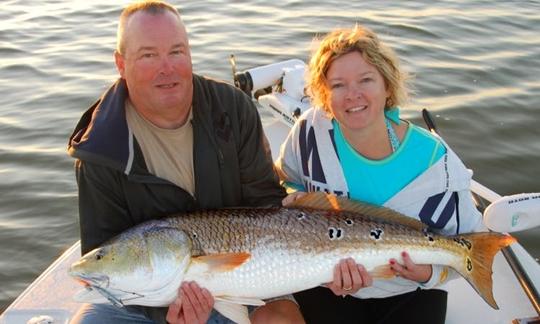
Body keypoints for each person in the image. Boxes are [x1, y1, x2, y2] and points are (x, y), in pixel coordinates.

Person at [67, 1, 304, 323]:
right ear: (121, 64)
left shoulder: (232, 107)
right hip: (147, 296)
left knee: (280, 318)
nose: (167, 68)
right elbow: (104, 248)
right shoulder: (99, 151)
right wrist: (165, 311)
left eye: (176, 51)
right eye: (149, 55)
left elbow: (265, 202)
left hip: (250, 268)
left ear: (190, 53)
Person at [276, 25, 484, 323]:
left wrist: (427, 273)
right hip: (326, 280)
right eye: (338, 85)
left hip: (409, 289)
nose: (353, 95)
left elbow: (469, 242)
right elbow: (286, 179)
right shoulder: (310, 131)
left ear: (388, 86)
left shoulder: (434, 162)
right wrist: (298, 205)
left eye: (366, 80)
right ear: (323, 93)